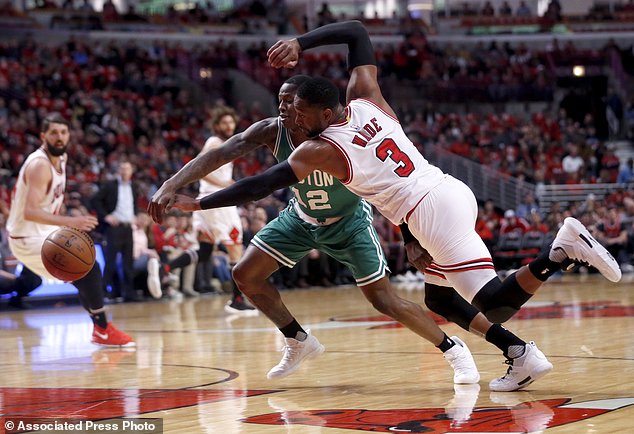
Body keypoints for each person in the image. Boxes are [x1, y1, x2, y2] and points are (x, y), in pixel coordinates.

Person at [166, 21, 621, 391]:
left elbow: (260, 184)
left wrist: (200, 202)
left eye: (297, 111)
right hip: (443, 193)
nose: (289, 118)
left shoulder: (319, 148)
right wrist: (300, 44)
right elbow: (357, 32)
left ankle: (558, 252)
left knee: (493, 303)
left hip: (428, 210)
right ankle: (520, 355)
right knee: (438, 297)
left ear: (326, 115)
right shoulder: (366, 98)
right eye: (285, 109)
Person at [148, 76, 480, 384]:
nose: (282, 108)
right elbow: (220, 153)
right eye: (279, 100)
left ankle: (453, 349)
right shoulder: (271, 130)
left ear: (307, 106)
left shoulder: (339, 133)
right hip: (302, 217)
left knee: (384, 300)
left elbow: (393, 184)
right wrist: (171, 183)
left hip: (349, 222)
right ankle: (297, 339)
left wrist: (409, 235)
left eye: (289, 101)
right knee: (245, 274)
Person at [6, 112, 134, 346]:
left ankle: (100, 328)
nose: (59, 137)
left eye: (63, 132)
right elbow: (30, 212)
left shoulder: (61, 159)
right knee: (88, 268)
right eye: (54, 132)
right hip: (26, 236)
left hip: (40, 231)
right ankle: (103, 329)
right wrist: (70, 222)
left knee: (83, 271)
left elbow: (47, 202)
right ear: (43, 135)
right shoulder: (39, 165)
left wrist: (66, 216)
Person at [160, 107, 257, 313]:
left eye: (231, 122)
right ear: (216, 125)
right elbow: (201, 169)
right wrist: (226, 185)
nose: (229, 126)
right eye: (225, 123)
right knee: (235, 248)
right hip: (217, 201)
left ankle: (166, 268)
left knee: (204, 251)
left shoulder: (226, 143)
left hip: (206, 202)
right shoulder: (214, 142)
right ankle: (237, 300)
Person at [93, 161, 155, 302]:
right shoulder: (110, 185)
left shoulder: (133, 186)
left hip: (128, 227)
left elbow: (132, 204)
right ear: (118, 171)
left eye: (127, 169)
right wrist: (106, 216)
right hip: (114, 228)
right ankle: (102, 294)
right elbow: (95, 200)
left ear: (131, 172)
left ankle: (129, 293)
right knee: (110, 263)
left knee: (128, 264)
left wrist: (133, 215)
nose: (125, 171)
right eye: (122, 168)